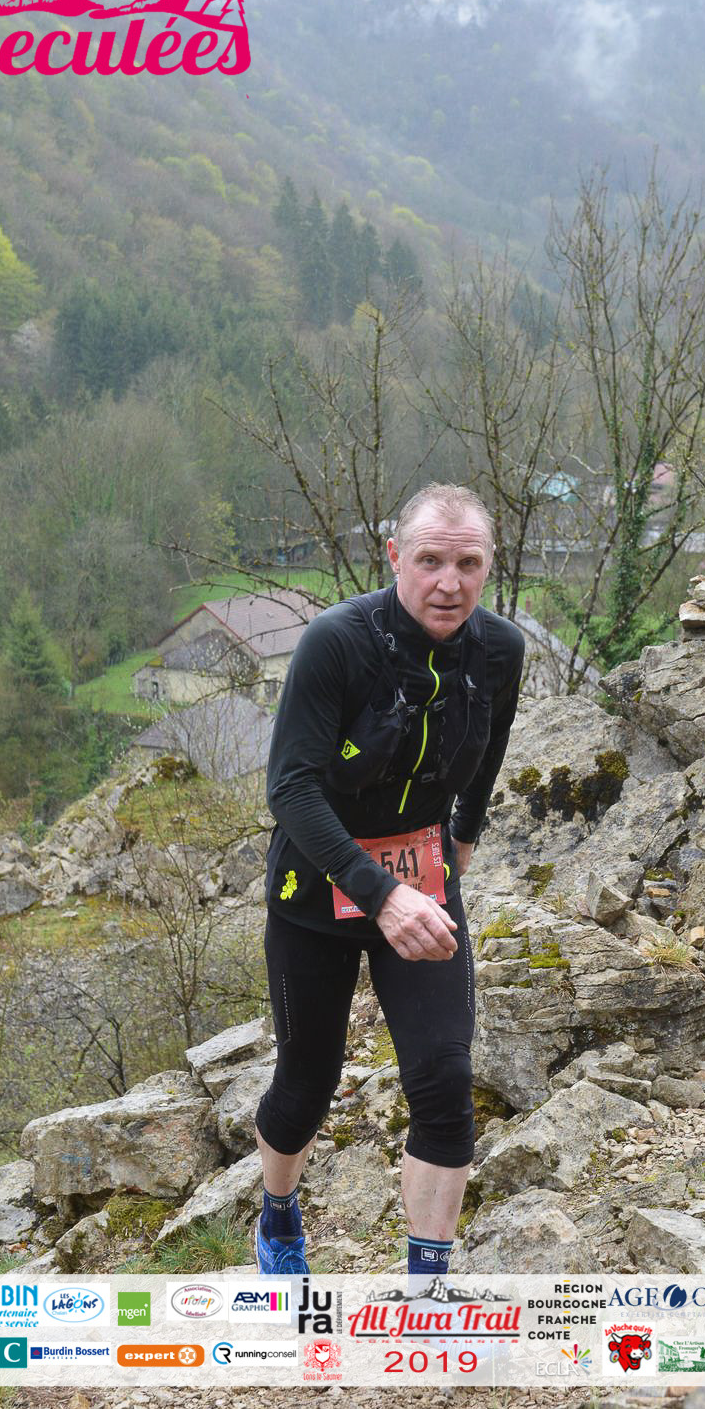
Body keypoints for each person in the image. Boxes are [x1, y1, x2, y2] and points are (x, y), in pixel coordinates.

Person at [253, 484, 526, 1276]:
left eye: (467, 565)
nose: (448, 583)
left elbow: (490, 744)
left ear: (490, 566)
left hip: (423, 879)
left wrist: (463, 835)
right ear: (394, 556)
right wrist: (380, 891)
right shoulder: (338, 642)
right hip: (318, 885)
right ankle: (277, 1215)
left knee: (444, 1080)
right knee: (306, 1084)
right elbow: (290, 788)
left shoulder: (499, 649)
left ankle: (427, 1286)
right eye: (430, 561)